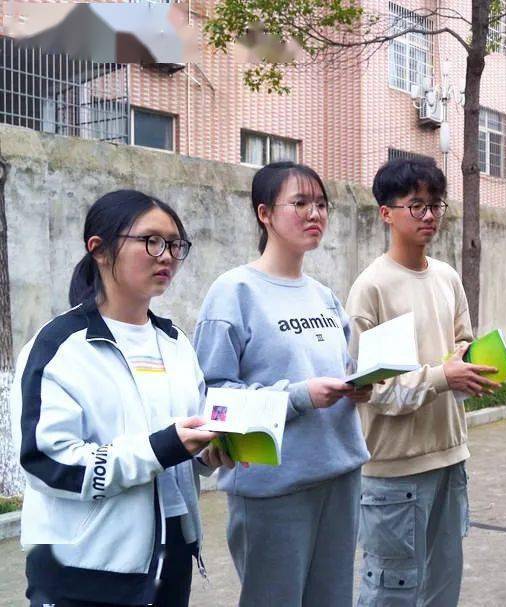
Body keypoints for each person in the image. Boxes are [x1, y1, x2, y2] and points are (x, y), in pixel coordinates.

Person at [14, 190, 222, 607]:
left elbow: (185, 440)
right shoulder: (60, 346)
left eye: (175, 244)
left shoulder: (175, 342)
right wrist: (161, 447)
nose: (166, 256)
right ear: (100, 250)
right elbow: (47, 462)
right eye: (151, 241)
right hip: (85, 569)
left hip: (171, 557)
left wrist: (209, 452)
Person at [194, 162, 371, 607]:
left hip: (340, 474)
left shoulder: (324, 295)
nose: (315, 214)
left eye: (322, 205)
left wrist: (360, 386)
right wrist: (299, 396)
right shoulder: (234, 291)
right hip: (273, 488)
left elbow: (342, 367)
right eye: (300, 203)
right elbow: (212, 398)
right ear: (264, 213)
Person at [345, 157, 498, 606]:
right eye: (416, 205)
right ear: (386, 213)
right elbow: (373, 390)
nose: (429, 215)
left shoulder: (448, 277)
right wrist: (441, 376)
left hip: (450, 458)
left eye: (436, 205)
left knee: (441, 588)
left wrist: (469, 367)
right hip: (394, 471)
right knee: (390, 592)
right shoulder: (371, 288)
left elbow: (461, 343)